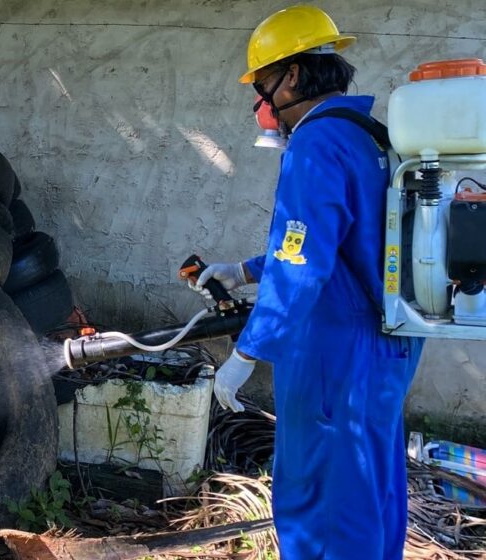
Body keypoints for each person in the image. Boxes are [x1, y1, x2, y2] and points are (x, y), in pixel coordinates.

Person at [191, 5, 424, 559]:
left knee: (323, 497)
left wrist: (247, 351)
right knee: (370, 484)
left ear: (293, 74)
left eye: (263, 84)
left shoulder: (316, 143)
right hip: (387, 340)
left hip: (335, 351)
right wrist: (246, 270)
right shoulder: (368, 135)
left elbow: (302, 265)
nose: (261, 102)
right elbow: (334, 242)